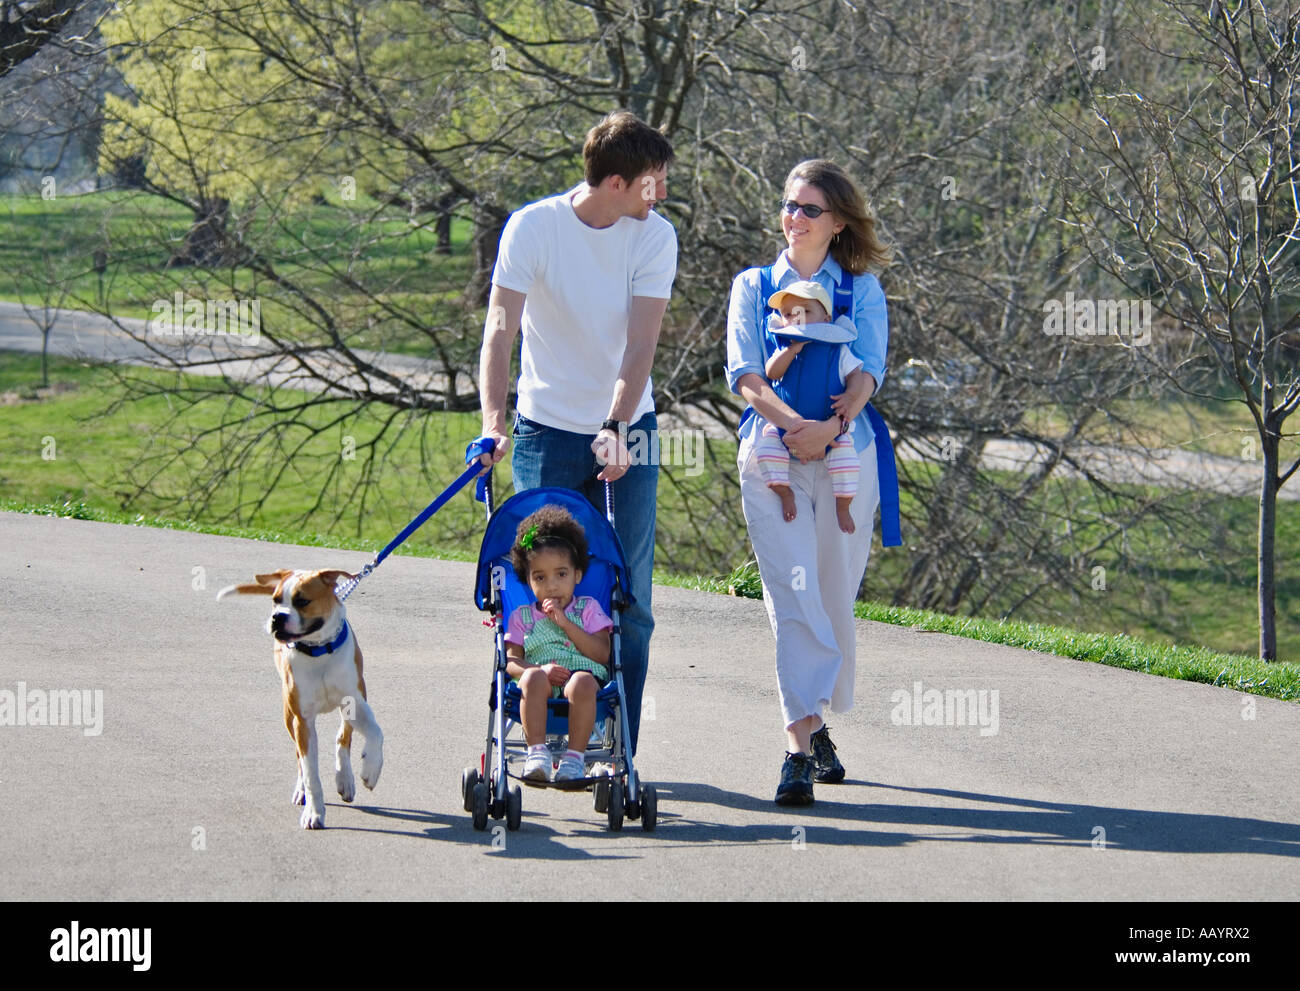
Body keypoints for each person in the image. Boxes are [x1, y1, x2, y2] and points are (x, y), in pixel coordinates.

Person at [477, 110, 677, 759]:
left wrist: (617, 424)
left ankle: (620, 745)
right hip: (544, 429)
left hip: (630, 427)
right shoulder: (534, 228)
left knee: (630, 594)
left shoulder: (654, 236)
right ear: (616, 183)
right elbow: (500, 331)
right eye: (654, 182)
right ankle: (546, 731)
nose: (663, 194)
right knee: (542, 581)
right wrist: (492, 424)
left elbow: (641, 342)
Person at [725, 159, 898, 806]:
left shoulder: (862, 290)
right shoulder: (753, 285)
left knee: (829, 596)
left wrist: (829, 429)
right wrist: (796, 427)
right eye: (788, 205)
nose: (793, 218)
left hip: (846, 457)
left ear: (839, 223)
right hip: (773, 457)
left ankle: (818, 719)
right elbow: (745, 375)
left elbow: (868, 372)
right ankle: (797, 750)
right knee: (791, 596)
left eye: (809, 209)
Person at [504, 505, 613, 786]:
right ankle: (537, 754)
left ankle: (574, 759)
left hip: (581, 684)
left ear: (577, 574)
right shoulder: (521, 617)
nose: (552, 586)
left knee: (583, 683)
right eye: (540, 578)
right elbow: (511, 662)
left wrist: (566, 623)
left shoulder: (589, 609)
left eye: (561, 575)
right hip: (538, 684)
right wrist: (539, 668)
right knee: (531, 676)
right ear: (528, 581)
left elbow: (602, 655)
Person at [754, 279, 871, 533]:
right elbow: (772, 373)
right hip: (783, 428)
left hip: (830, 429)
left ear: (826, 317)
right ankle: (784, 493)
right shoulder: (785, 348)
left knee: (848, 462)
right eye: (788, 314)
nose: (797, 318)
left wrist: (850, 397)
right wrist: (791, 350)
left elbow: (857, 377)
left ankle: (843, 505)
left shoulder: (836, 351)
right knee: (765, 452)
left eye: (805, 311)